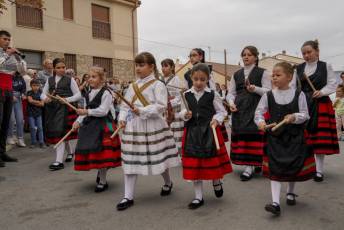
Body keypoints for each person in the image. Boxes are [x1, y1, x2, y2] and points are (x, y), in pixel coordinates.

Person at [116, 52, 180, 211]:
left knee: (159, 157)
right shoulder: (132, 86)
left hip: (152, 126)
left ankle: (167, 182)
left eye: (141, 65)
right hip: (134, 126)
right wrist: (122, 118)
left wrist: (142, 110)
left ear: (151, 67)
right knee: (131, 159)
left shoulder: (158, 85)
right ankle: (128, 196)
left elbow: (160, 106)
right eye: (137, 65)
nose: (138, 68)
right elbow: (125, 106)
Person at [255, 62, 315, 216]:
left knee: (292, 166)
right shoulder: (268, 95)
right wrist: (261, 122)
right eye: (273, 75)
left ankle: (290, 192)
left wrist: (294, 116)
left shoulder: (298, 94)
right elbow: (259, 113)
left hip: (294, 137)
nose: (274, 77)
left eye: (278, 75)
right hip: (275, 138)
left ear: (289, 77)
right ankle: (275, 203)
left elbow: (305, 115)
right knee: (275, 168)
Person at [179, 63, 232, 209]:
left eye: (202, 79)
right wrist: (185, 114)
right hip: (192, 133)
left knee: (211, 162)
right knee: (195, 166)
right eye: (196, 79)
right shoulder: (186, 95)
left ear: (208, 79)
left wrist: (217, 119)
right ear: (191, 78)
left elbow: (222, 112)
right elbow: (181, 112)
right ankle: (198, 197)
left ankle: (216, 181)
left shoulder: (212, 94)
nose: (198, 82)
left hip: (209, 131)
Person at [293, 40, 339, 182]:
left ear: (317, 52)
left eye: (309, 52)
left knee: (319, 139)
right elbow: (294, 86)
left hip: (320, 104)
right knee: (304, 137)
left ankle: (318, 170)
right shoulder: (298, 69)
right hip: (303, 103)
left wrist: (322, 92)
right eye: (304, 53)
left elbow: (333, 84)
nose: (306, 55)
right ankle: (304, 166)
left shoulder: (326, 66)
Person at [226, 46, 272, 181]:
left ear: (256, 57)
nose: (246, 57)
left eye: (250, 55)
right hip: (239, 109)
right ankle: (249, 164)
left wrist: (255, 88)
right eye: (244, 55)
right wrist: (231, 103)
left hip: (255, 106)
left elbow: (269, 91)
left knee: (254, 134)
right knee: (242, 134)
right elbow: (231, 93)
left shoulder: (262, 73)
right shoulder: (236, 74)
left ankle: (251, 166)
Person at [73, 67, 121, 193]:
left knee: (102, 154)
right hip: (90, 125)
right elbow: (84, 110)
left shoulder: (106, 93)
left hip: (103, 124)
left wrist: (87, 111)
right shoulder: (88, 93)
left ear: (101, 79)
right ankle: (102, 173)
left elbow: (103, 111)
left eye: (94, 77)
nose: (90, 79)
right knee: (94, 152)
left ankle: (103, 181)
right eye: (89, 76)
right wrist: (77, 121)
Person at [41, 58, 81, 170]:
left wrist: (66, 99)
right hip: (53, 110)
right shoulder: (49, 80)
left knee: (60, 134)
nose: (62, 69)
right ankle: (70, 153)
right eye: (58, 67)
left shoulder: (70, 80)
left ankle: (58, 161)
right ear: (54, 68)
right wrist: (45, 98)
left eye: (63, 67)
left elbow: (78, 95)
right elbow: (42, 94)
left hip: (65, 110)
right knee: (62, 134)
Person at [0, 30, 26, 167]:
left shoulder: (10, 55)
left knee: (6, 123)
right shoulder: (4, 54)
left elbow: (22, 72)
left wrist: (19, 59)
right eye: (5, 39)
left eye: (9, 39)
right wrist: (6, 54)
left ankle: (2, 152)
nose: (7, 42)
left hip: (9, 90)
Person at [161, 58, 185, 152]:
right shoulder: (160, 80)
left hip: (174, 109)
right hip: (164, 109)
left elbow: (180, 96)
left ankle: (177, 152)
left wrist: (170, 102)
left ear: (172, 67)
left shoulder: (176, 79)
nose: (163, 68)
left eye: (166, 66)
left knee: (176, 131)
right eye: (162, 66)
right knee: (165, 131)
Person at [7, 71, 26, 147]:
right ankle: (9, 136)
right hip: (8, 97)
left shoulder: (20, 77)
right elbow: (5, 86)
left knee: (20, 119)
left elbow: (23, 87)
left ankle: (20, 138)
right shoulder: (8, 75)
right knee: (11, 119)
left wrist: (22, 94)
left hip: (18, 99)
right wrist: (11, 95)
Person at [27, 79, 45, 148]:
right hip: (30, 113)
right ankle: (33, 142)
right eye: (34, 85)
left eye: (37, 85)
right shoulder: (29, 92)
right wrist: (38, 102)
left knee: (40, 128)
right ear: (31, 86)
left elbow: (42, 104)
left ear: (39, 86)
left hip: (38, 113)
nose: (36, 87)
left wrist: (34, 102)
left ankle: (41, 142)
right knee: (32, 128)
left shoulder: (41, 92)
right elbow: (30, 100)